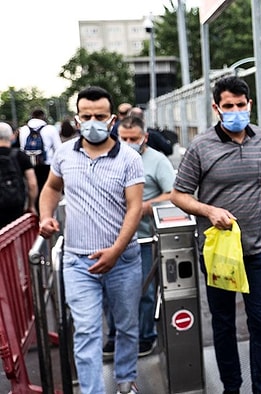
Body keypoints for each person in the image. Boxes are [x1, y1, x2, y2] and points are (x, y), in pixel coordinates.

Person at [171, 76, 261, 394]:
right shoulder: (201, 146)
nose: (235, 111)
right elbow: (179, 195)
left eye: (240, 105)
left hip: (257, 249)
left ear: (249, 105)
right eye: (227, 106)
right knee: (224, 322)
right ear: (216, 108)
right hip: (219, 252)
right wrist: (209, 211)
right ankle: (231, 386)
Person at [38, 86, 144, 394]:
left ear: (112, 119)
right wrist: (46, 216)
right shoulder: (64, 154)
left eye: (99, 116)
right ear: (77, 118)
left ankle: (125, 381)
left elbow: (135, 207)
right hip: (77, 261)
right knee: (86, 331)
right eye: (87, 116)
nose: (93, 121)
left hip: (122, 260)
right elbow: (51, 189)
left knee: (125, 326)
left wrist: (115, 250)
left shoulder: (128, 158)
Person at [103, 115, 175, 358]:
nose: (128, 142)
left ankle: (146, 335)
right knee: (110, 291)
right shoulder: (109, 159)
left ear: (144, 137)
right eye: (123, 138)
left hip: (143, 238)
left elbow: (172, 194)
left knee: (143, 290)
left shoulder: (157, 161)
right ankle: (115, 335)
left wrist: (145, 207)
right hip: (110, 237)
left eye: (133, 138)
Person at [18, 108, 62, 203]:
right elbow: (58, 149)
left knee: (33, 188)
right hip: (47, 165)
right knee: (47, 189)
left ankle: (34, 209)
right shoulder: (50, 129)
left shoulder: (23, 129)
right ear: (43, 117)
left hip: (29, 165)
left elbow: (22, 148)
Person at [0, 121, 38, 228]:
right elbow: (32, 184)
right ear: (12, 136)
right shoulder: (20, 155)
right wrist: (31, 205)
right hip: (17, 205)